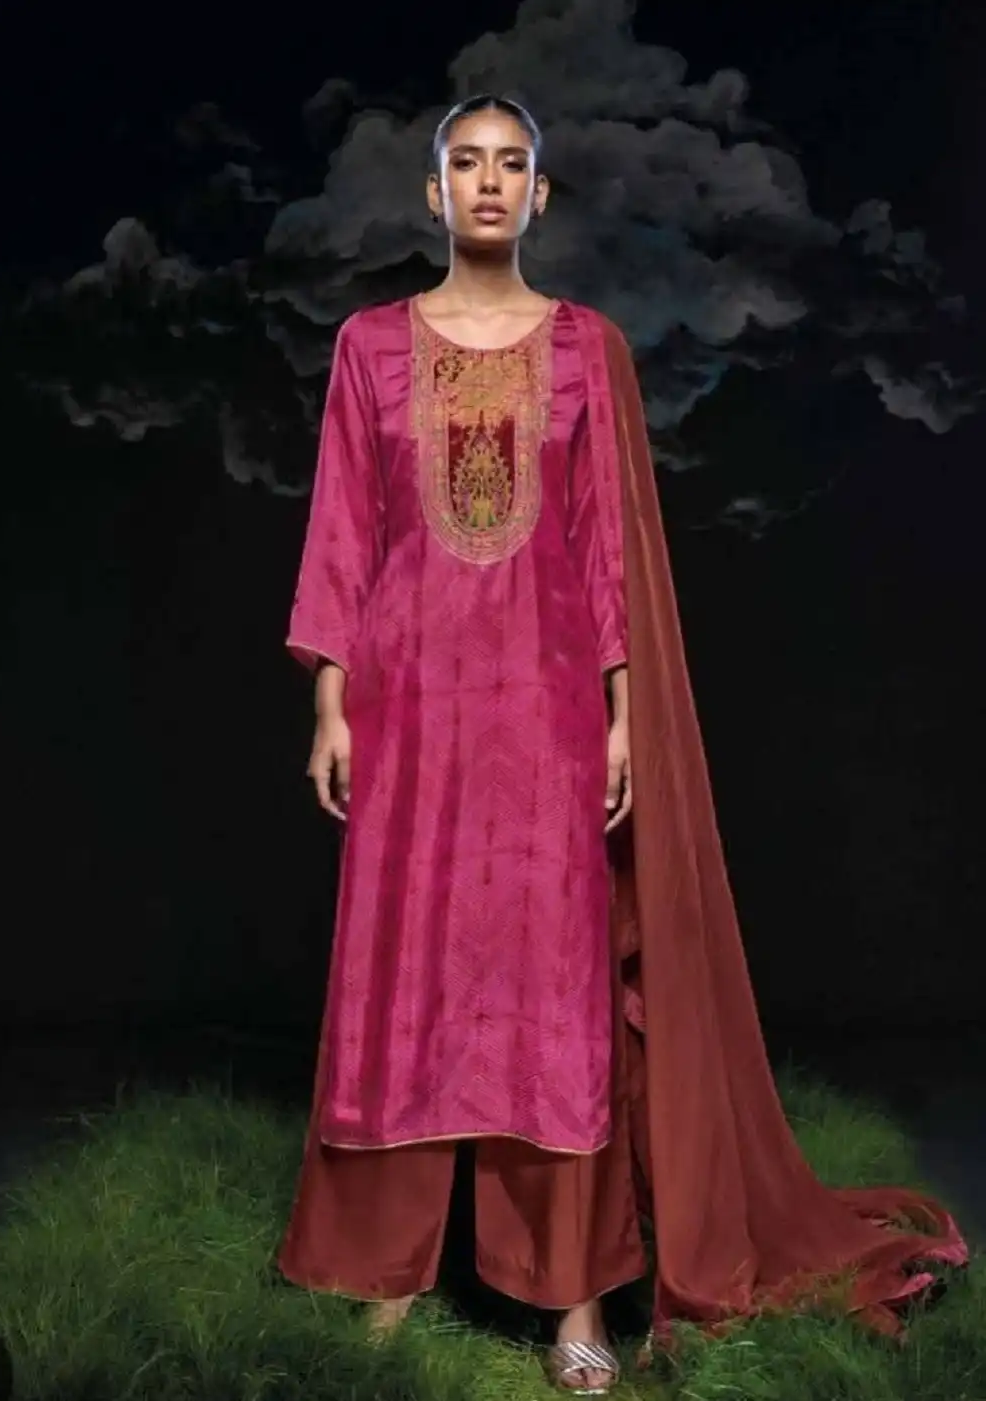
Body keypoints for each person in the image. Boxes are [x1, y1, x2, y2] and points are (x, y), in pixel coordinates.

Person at [277, 94, 967, 1395]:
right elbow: (343, 530)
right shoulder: (370, 346)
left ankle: (575, 1297)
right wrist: (329, 699)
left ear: (541, 195)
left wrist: (620, 713)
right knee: (399, 979)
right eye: (466, 164)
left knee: (556, 995)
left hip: (543, 714)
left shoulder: (587, 349)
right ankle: (385, 1272)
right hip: (408, 708)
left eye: (513, 165)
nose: (490, 183)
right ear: (434, 193)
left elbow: (608, 551)